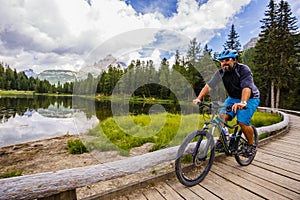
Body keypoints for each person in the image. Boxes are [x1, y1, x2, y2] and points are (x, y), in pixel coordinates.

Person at [193, 49, 260, 153]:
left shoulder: (243, 70)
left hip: (250, 97)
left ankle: (251, 145)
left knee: (242, 122)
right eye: (222, 61)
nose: (224, 63)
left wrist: (243, 102)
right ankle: (222, 141)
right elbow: (209, 85)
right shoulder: (220, 73)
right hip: (233, 98)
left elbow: (246, 88)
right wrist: (199, 98)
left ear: (234, 60)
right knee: (221, 117)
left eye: (227, 60)